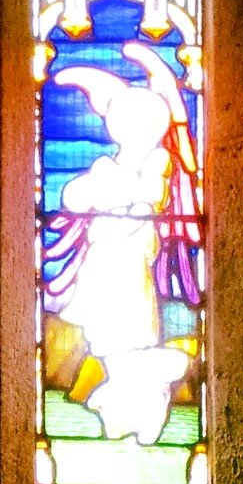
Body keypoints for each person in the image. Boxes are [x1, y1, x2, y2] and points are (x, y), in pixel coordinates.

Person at [44, 45, 199, 445]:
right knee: (104, 333)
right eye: (120, 117)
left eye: (133, 119)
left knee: (128, 330)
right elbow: (75, 197)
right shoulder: (108, 165)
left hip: (129, 256)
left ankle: (149, 394)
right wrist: (106, 190)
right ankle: (132, 405)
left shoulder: (156, 161)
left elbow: (148, 197)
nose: (122, 126)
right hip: (102, 256)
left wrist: (110, 191)